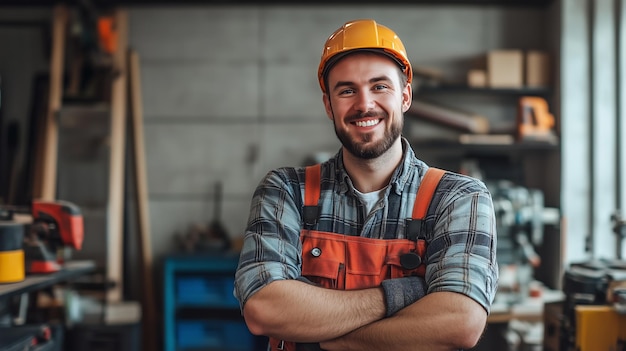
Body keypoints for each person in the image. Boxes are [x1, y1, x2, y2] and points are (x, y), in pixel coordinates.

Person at [234, 19, 498, 351]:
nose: (364, 104)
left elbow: (459, 322)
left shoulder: (457, 198)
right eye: (347, 90)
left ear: (405, 97)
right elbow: (264, 309)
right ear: (329, 105)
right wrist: (402, 294)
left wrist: (331, 339)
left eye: (379, 86)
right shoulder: (287, 190)